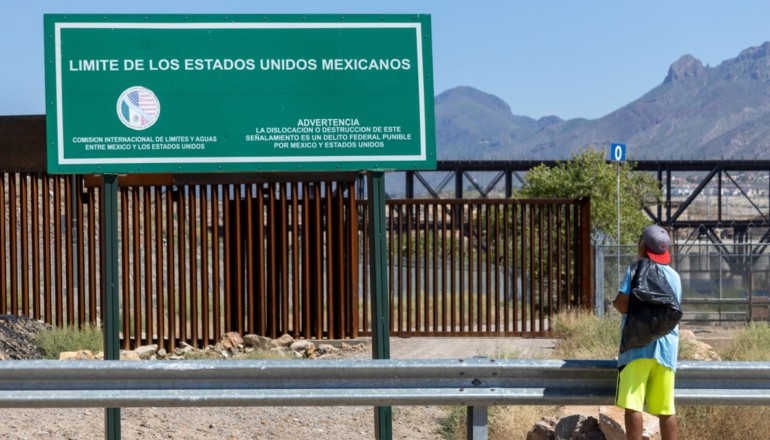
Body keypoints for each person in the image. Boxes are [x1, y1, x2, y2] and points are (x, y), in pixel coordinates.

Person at [612, 225, 682, 440]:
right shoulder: (674, 276)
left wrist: (616, 302)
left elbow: (623, 305)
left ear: (642, 245)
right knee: (665, 409)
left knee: (633, 405)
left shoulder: (635, 270)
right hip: (666, 349)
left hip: (637, 348)